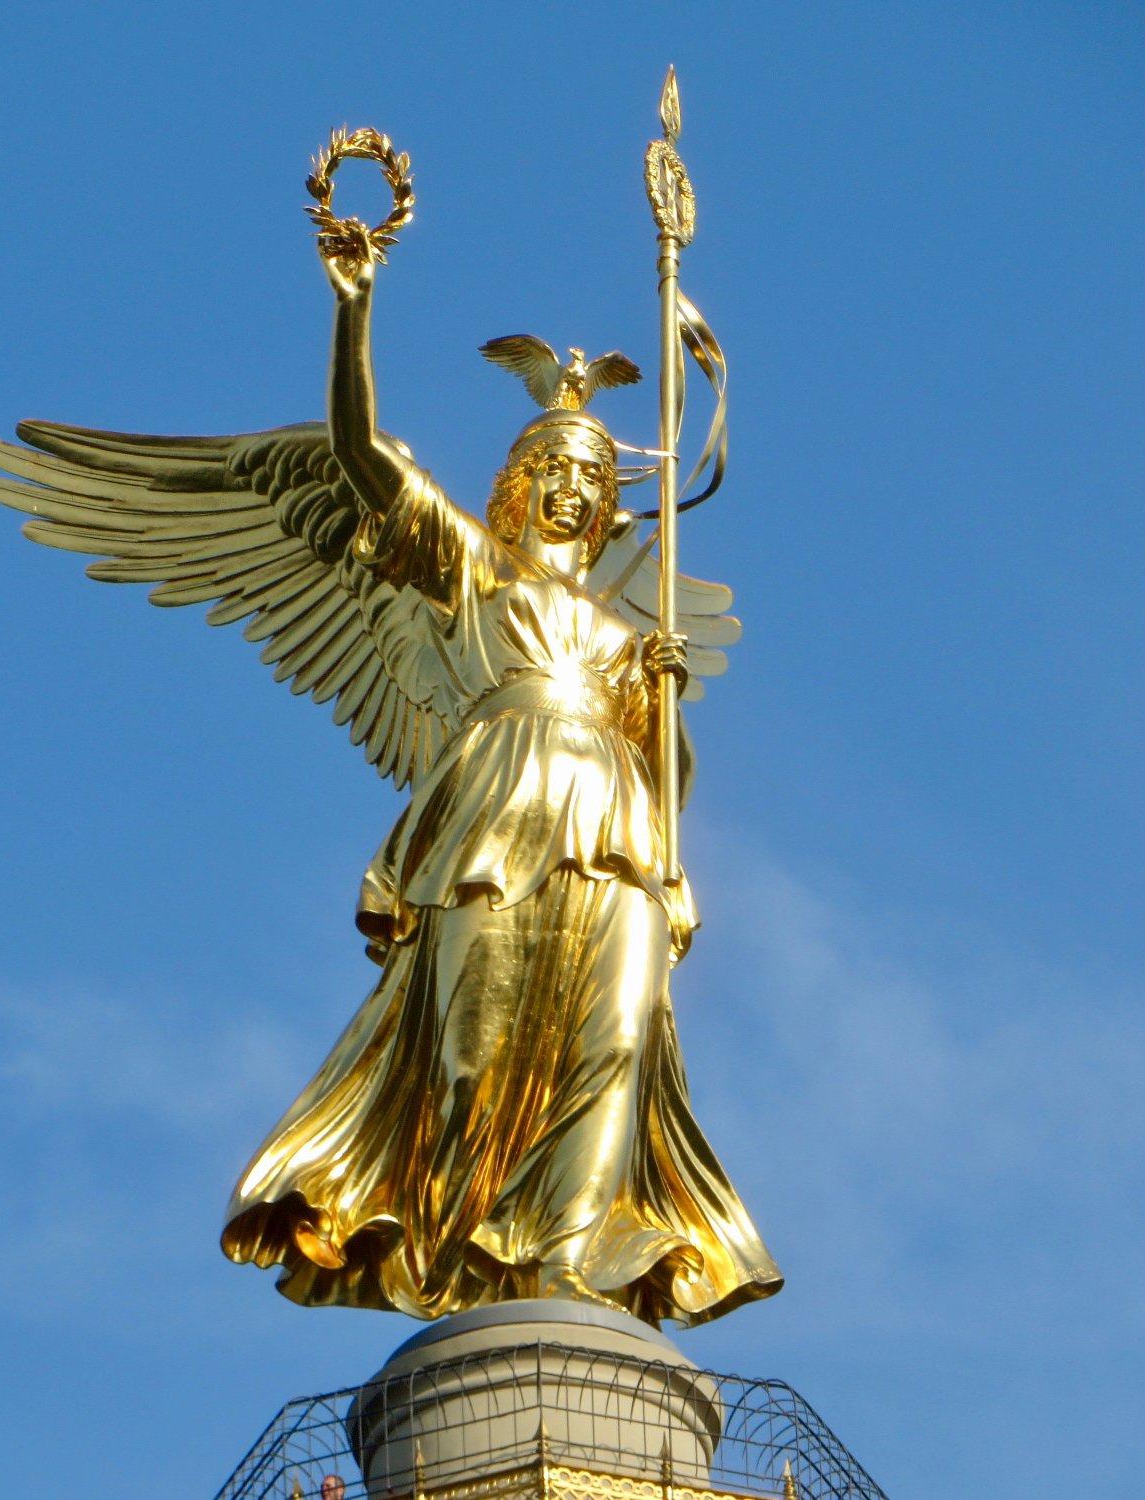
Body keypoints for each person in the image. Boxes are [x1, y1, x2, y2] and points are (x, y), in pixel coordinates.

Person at [216, 242, 780, 1327]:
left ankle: (567, 1255)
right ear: (516, 490)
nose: (573, 489)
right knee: (472, 1051)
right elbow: (357, 458)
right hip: (494, 813)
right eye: (553, 471)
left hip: (614, 826)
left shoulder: (627, 632)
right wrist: (353, 306)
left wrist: (656, 702)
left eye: (592, 476)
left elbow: (671, 783)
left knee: (614, 1039)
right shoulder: (470, 573)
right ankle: (467, 1250)